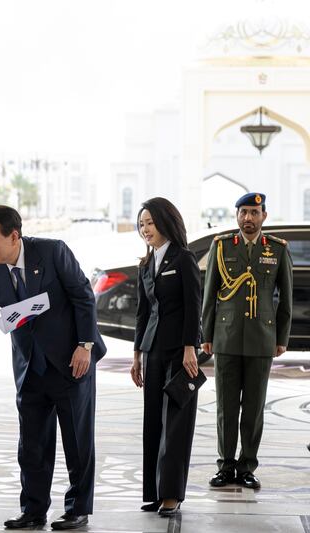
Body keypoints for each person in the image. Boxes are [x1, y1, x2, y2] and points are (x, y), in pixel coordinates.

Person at [0, 205, 106, 530]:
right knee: (32, 445)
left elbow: (84, 296)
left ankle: (77, 509)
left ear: (14, 236)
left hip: (71, 362)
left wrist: (85, 345)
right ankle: (33, 510)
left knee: (77, 442)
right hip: (30, 368)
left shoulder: (53, 251)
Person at [202, 192, 293, 490]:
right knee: (226, 408)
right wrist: (207, 335)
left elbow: (286, 300)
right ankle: (226, 466)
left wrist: (281, 338)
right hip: (226, 338)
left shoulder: (277, 249)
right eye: (243, 212)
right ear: (236, 215)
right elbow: (210, 295)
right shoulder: (222, 246)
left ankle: (248, 466)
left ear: (264, 216)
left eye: (254, 212)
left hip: (261, 339)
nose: (248, 218)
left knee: (254, 408)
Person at [131, 198, 201, 517]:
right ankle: (154, 492)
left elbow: (193, 306)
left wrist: (190, 347)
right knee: (153, 421)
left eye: (150, 222)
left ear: (165, 221)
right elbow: (142, 312)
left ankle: (171, 494)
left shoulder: (183, 258)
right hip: (153, 351)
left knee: (175, 423)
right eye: (142, 224)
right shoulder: (146, 264)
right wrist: (136, 355)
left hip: (178, 352)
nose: (146, 229)